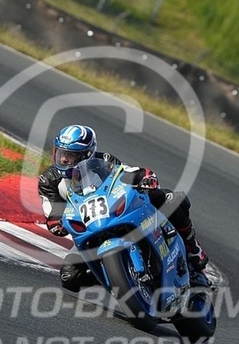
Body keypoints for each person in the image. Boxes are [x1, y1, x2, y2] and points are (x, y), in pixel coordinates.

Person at [38, 124, 209, 292]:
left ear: (86, 155)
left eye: (70, 155)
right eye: (60, 153)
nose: (63, 159)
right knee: (69, 276)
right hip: (90, 230)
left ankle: (193, 249)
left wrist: (143, 176)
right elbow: (53, 213)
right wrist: (57, 223)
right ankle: (120, 277)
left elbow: (125, 173)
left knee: (172, 199)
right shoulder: (48, 180)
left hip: (117, 215)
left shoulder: (104, 161)